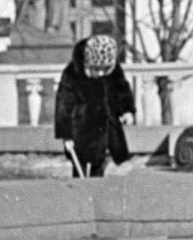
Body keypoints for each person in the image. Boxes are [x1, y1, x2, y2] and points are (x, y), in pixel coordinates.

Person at [54, 34, 136, 178]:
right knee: (81, 165)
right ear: (87, 62)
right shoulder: (72, 73)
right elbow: (64, 104)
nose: (100, 74)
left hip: (107, 125)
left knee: (100, 163)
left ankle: (97, 191)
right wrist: (66, 135)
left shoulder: (114, 69)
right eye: (95, 69)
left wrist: (127, 109)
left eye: (104, 70)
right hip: (81, 129)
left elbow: (121, 88)